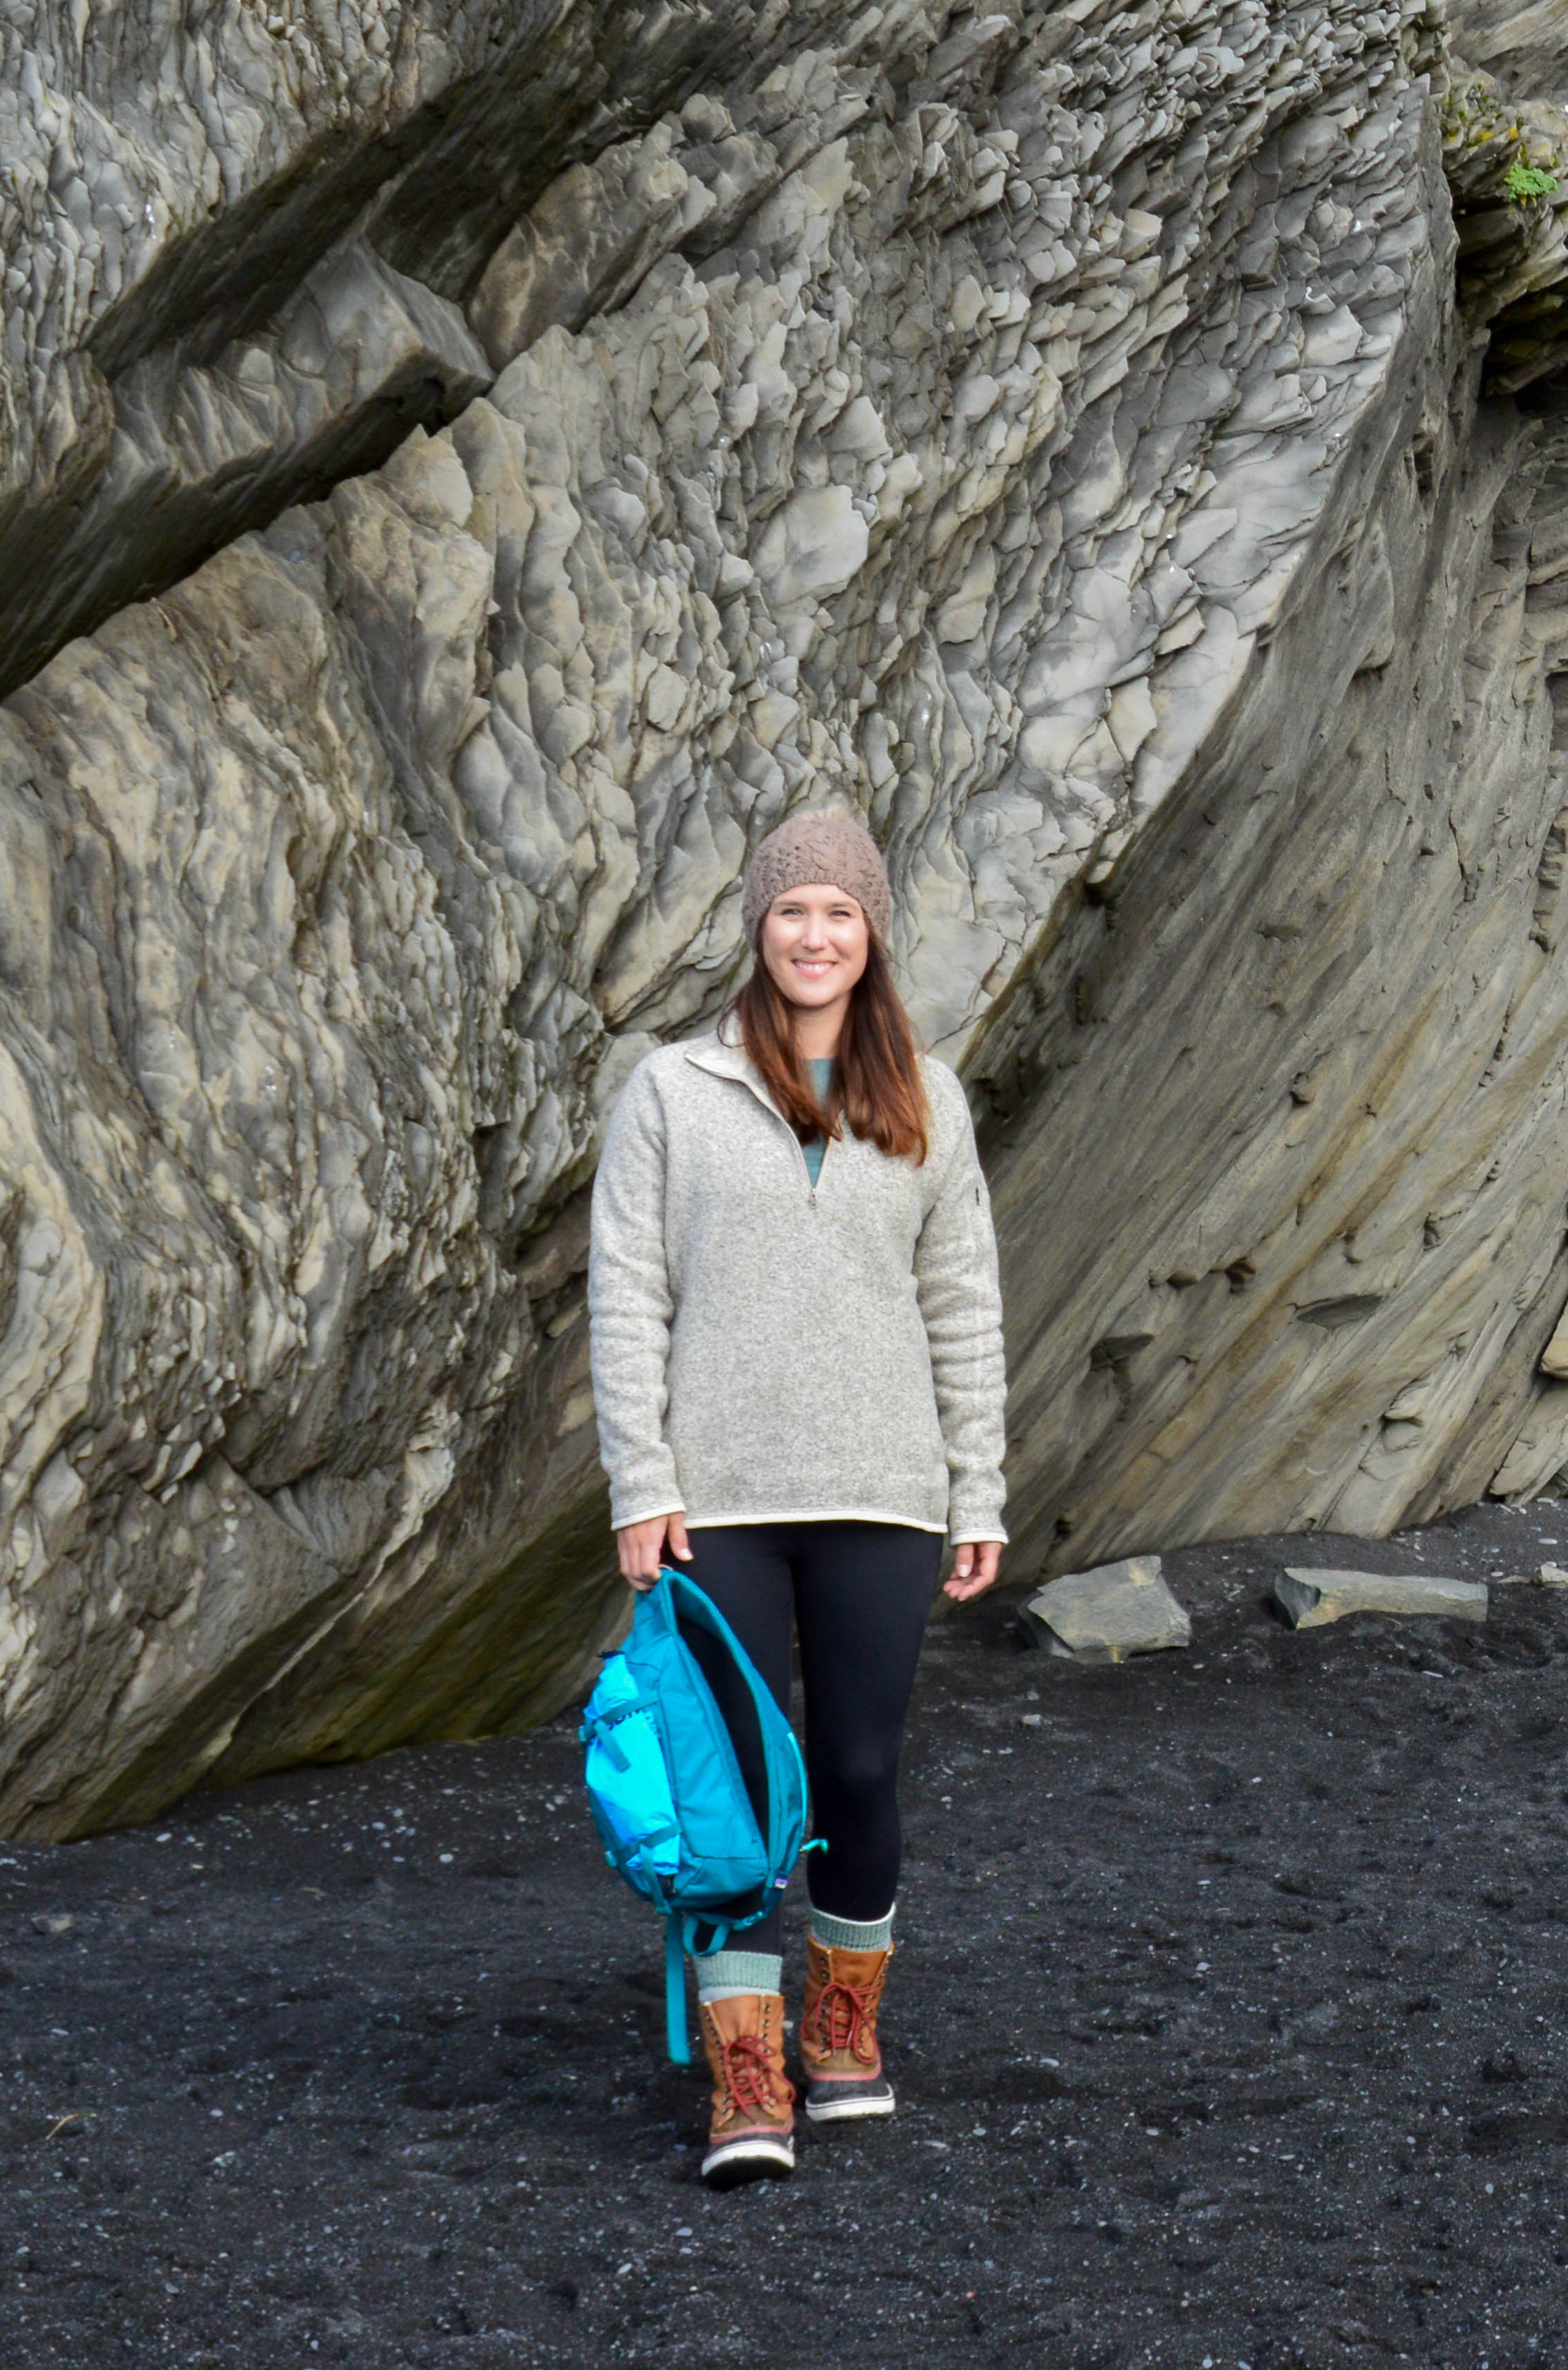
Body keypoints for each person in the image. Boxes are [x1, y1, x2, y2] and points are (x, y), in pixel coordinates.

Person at [586, 809, 1010, 2188]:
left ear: (869, 930)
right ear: (758, 931)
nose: (815, 934)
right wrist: (640, 1483)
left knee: (858, 1770)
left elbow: (963, 1308)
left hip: (884, 1493)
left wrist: (978, 1487)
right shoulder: (672, 1091)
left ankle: (839, 2031)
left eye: (839, 911)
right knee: (727, 1797)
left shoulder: (929, 1100)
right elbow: (628, 1297)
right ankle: (745, 2074)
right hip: (719, 1503)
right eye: (791, 912)